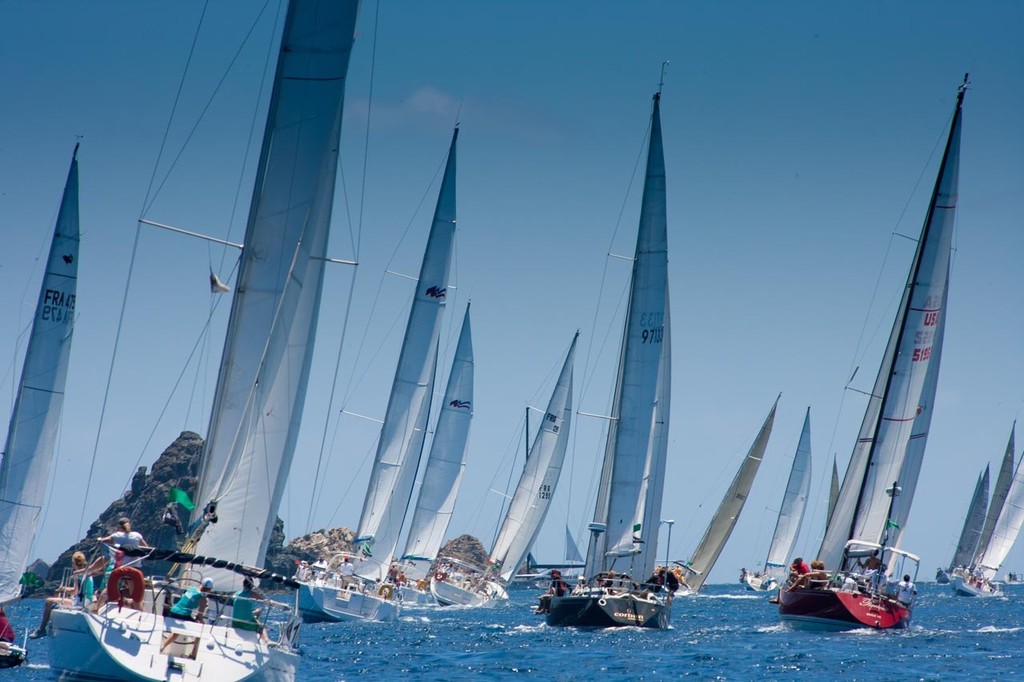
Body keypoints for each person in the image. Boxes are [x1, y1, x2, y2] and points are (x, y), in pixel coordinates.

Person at [31, 551, 92, 638]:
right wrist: (64, 589)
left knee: (48, 601)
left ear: (74, 562)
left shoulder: (77, 573)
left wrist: (62, 589)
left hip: (79, 603)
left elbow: (74, 591)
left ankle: (41, 629)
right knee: (57, 600)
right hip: (88, 602)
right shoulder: (88, 573)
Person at [161, 578, 213, 655]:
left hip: (173, 611)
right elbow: (200, 615)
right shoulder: (203, 598)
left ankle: (163, 646)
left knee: (176, 632)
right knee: (201, 629)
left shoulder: (192, 589)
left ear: (201, 584)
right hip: (183, 615)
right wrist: (201, 621)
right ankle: (193, 653)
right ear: (209, 589)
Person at [232, 577, 269, 642]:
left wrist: (255, 612)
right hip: (245, 624)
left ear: (243, 585)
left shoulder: (237, 594)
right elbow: (264, 600)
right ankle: (267, 641)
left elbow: (243, 609)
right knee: (261, 627)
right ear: (252, 586)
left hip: (235, 623)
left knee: (253, 617)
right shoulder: (251, 594)